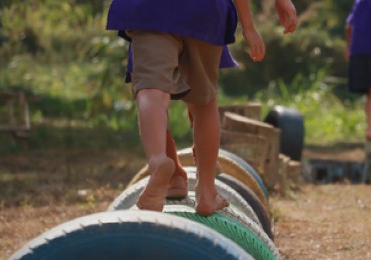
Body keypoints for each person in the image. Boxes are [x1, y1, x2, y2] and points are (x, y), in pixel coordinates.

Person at [106, 0, 297, 216]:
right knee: (203, 103)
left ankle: (159, 161)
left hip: (148, 9)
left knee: (151, 89)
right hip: (204, 11)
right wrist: (249, 26)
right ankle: (206, 192)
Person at [345, 0, 371, 184]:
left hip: (360, 50)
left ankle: (370, 127)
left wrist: (348, 48)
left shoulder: (361, 1)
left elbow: (349, 25)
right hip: (363, 50)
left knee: (369, 93)